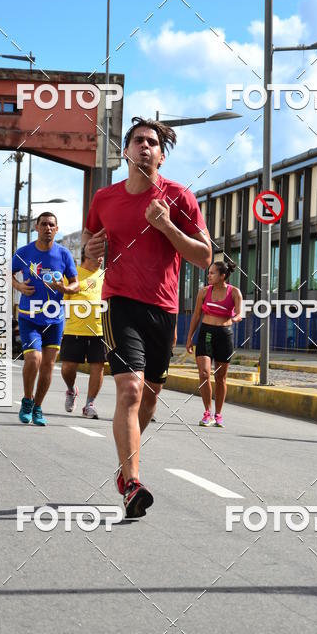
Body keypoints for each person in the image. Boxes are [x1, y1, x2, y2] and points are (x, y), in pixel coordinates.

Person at [83, 117, 211, 518]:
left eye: (152, 142)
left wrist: (167, 225)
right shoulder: (104, 198)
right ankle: (134, 484)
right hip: (119, 303)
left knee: (149, 400)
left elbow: (204, 256)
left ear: (161, 153)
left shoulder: (180, 198)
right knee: (130, 391)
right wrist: (91, 250)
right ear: (125, 150)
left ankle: (125, 469)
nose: (144, 146)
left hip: (164, 310)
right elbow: (89, 241)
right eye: (137, 140)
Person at [12, 212, 79, 426]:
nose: (47, 228)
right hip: (29, 316)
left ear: (56, 229)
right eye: (43, 224)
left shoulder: (64, 254)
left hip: (54, 317)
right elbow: (7, 273)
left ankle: (38, 407)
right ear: (36, 227)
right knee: (33, 359)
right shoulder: (24, 252)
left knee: (48, 365)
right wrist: (19, 286)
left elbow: (76, 284)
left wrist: (65, 288)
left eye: (51, 225)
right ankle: (27, 400)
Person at [186, 260, 243, 427]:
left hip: (224, 335)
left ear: (222, 276)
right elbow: (196, 316)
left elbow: (240, 314)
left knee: (220, 377)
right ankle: (207, 412)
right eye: (209, 272)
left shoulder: (234, 293)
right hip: (206, 334)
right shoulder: (204, 292)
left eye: (212, 273)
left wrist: (234, 318)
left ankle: (218, 414)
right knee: (204, 374)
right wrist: (190, 337)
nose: (208, 275)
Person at [60, 245, 106, 418]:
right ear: (85, 255)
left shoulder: (105, 275)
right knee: (67, 368)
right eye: (97, 254)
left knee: (98, 367)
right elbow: (62, 302)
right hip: (75, 329)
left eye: (102, 254)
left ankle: (89, 404)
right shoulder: (72, 275)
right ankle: (71, 390)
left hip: (99, 331)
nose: (101, 257)